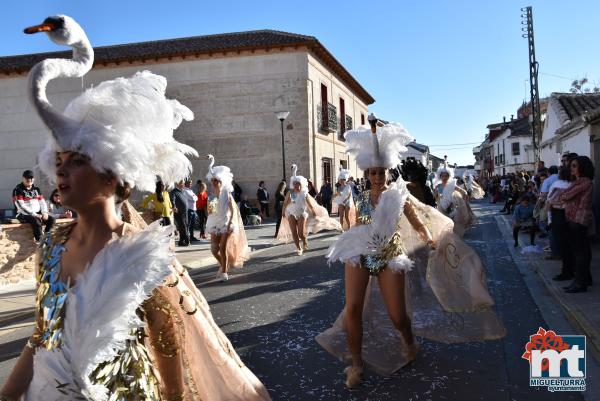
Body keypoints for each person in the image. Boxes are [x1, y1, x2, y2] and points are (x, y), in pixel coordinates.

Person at [1, 15, 271, 401]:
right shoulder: (52, 245)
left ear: (111, 176)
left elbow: (168, 348)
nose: (61, 171)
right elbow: (42, 334)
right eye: (58, 162)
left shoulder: (141, 254)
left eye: (76, 161)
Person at [316, 115, 505, 388]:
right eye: (373, 172)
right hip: (359, 253)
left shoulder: (398, 196)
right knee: (353, 309)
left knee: (398, 316)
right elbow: (357, 223)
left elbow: (417, 222)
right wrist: (349, 236)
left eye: (382, 172)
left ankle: (408, 341)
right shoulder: (360, 197)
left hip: (390, 256)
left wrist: (429, 240)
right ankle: (356, 364)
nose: (378, 177)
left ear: (388, 172)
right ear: (367, 173)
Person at [277, 164, 340, 255]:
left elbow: (310, 205)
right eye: (294, 184)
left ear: (301, 185)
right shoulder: (289, 193)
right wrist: (283, 212)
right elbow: (285, 204)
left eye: (298, 184)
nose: (296, 186)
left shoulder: (304, 194)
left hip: (302, 213)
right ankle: (299, 248)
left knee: (301, 233)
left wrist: (314, 213)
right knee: (294, 232)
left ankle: (304, 240)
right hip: (291, 213)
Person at [205, 154, 250, 282]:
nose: (214, 183)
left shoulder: (227, 194)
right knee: (214, 250)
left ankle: (224, 272)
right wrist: (209, 210)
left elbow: (233, 209)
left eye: (216, 181)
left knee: (223, 246)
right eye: (212, 181)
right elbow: (208, 211)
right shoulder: (210, 196)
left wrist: (230, 222)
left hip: (226, 223)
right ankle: (224, 264)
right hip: (214, 223)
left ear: (221, 182)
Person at [560, 156, 595, 293]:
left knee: (580, 253)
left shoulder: (584, 182)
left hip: (578, 220)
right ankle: (584, 279)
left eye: (574, 166)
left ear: (582, 167)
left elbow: (565, 195)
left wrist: (564, 195)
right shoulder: (580, 181)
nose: (571, 168)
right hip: (575, 219)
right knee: (581, 251)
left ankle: (581, 283)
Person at [433, 164, 475, 237]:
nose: (444, 177)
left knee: (454, 220)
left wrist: (465, 194)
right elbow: (435, 196)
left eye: (446, 176)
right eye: (443, 176)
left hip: (452, 205)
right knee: (443, 221)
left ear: (449, 176)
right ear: (440, 177)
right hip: (441, 206)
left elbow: (461, 190)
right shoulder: (438, 186)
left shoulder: (451, 185)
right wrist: (435, 193)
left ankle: (454, 233)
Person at [12, 169, 55, 241]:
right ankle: (41, 241)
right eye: (27, 178)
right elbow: (21, 206)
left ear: (34, 179)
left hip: (37, 213)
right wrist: (35, 214)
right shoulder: (18, 190)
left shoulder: (36, 189)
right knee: (36, 222)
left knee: (51, 220)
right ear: (23, 178)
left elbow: (42, 202)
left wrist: (44, 212)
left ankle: (47, 238)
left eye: (31, 178)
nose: (29, 179)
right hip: (23, 214)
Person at [547, 166, 572, 280]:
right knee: (571, 244)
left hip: (558, 215)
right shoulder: (573, 184)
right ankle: (572, 269)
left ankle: (566, 271)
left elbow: (549, 201)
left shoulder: (557, 184)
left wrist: (549, 219)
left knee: (562, 245)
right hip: (571, 216)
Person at [170, 180, 189, 246]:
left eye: (183, 183)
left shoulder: (182, 191)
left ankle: (181, 241)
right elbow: (172, 200)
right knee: (182, 226)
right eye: (182, 183)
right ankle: (186, 240)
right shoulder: (174, 192)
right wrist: (174, 207)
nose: (183, 184)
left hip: (184, 212)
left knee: (185, 226)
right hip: (179, 212)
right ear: (178, 183)